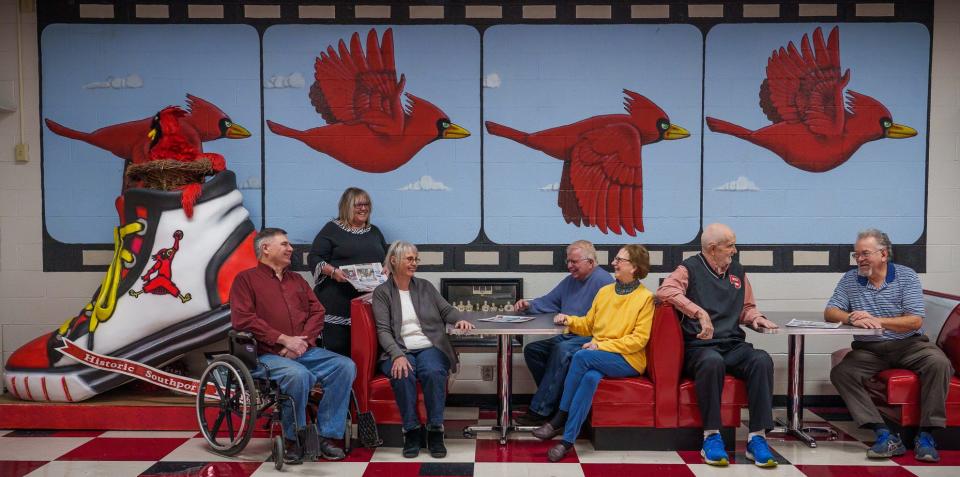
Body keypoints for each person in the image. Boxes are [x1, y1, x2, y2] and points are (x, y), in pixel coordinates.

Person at [656, 223, 779, 468]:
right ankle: (711, 436)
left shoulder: (738, 271)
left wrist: (757, 318)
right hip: (699, 347)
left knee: (761, 359)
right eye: (730, 246)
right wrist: (698, 311)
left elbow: (746, 308)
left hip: (732, 343)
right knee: (713, 362)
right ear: (712, 249)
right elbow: (664, 291)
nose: (734, 250)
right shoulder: (689, 268)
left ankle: (757, 437)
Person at [230, 228, 356, 464]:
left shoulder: (296, 280)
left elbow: (318, 311)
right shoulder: (245, 280)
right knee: (298, 375)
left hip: (302, 350)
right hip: (265, 355)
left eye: (290, 245)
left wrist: (302, 342)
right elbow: (243, 319)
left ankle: (325, 435)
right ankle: (293, 439)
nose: (291, 249)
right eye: (285, 244)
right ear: (265, 248)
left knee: (345, 366)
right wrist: (283, 340)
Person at [826, 228, 953, 462]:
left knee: (939, 363)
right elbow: (830, 311)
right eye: (856, 255)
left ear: (883, 254)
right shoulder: (850, 279)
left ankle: (926, 434)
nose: (859, 260)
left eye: (865, 254)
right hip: (870, 350)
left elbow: (914, 320)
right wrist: (851, 317)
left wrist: (878, 321)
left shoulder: (906, 276)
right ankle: (883, 433)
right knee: (842, 373)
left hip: (910, 345)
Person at [531, 245, 655, 462]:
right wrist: (568, 320)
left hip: (629, 359)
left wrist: (601, 346)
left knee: (581, 356)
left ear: (634, 267)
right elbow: (589, 325)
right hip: (602, 356)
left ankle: (559, 418)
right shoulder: (605, 292)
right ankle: (567, 442)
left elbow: (639, 341)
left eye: (620, 260)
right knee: (589, 378)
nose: (614, 263)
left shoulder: (645, 298)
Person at [372, 241, 475, 458]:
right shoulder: (382, 293)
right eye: (409, 259)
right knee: (403, 373)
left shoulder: (425, 286)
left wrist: (459, 320)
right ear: (394, 260)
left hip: (429, 346)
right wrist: (397, 355)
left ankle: (435, 430)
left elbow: (447, 310)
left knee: (434, 371)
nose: (414, 263)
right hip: (398, 349)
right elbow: (382, 330)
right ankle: (411, 431)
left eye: (416, 259)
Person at [515, 240, 614, 426]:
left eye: (574, 262)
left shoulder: (604, 282)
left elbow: (606, 323)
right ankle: (556, 402)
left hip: (592, 338)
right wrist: (529, 305)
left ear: (590, 262)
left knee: (562, 350)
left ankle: (541, 410)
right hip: (570, 336)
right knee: (533, 350)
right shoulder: (571, 281)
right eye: (568, 261)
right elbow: (549, 301)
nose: (569, 266)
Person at [308, 187, 388, 357]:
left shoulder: (374, 231)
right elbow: (314, 257)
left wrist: (387, 267)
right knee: (337, 352)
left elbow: (386, 258)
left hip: (368, 305)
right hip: (336, 303)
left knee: (366, 353)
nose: (363, 208)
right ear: (346, 206)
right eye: (358, 204)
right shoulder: (331, 229)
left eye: (366, 204)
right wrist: (332, 271)